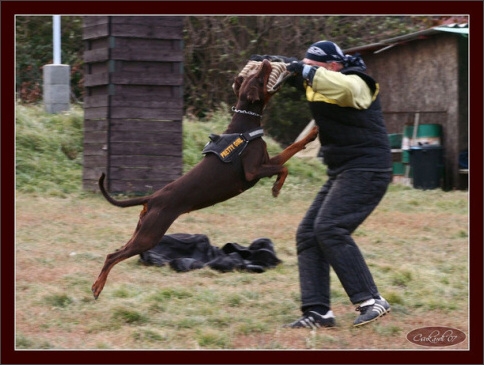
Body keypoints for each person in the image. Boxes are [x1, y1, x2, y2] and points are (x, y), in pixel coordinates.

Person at [252, 40, 393, 328]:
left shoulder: (360, 83)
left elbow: (342, 88)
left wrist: (301, 68)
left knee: (330, 228)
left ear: (333, 66)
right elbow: (297, 68)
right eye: (307, 67)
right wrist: (270, 61)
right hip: (343, 170)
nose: (307, 72)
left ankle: (371, 300)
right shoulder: (318, 79)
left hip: (368, 169)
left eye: (313, 68)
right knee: (308, 234)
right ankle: (318, 313)